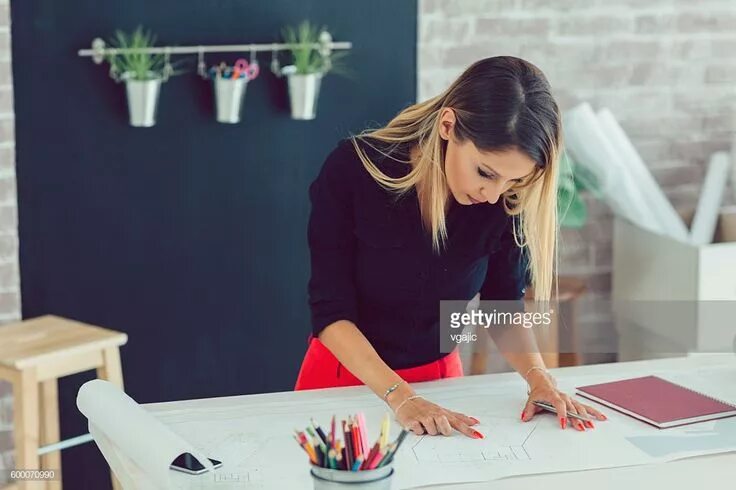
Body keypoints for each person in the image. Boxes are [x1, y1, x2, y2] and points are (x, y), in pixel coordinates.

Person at [294, 56, 606, 438]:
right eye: (485, 173)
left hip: (440, 381)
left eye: (512, 181)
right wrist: (401, 397)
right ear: (447, 125)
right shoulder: (354, 171)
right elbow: (330, 312)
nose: (493, 195)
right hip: (344, 376)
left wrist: (539, 379)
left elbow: (501, 305)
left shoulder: (506, 200)